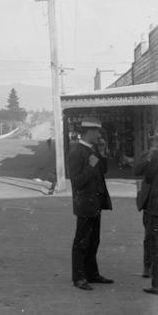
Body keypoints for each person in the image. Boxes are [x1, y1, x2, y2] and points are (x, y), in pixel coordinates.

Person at [66, 117, 113, 291]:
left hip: (95, 203)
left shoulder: (91, 151)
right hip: (85, 204)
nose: (99, 135)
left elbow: (104, 170)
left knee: (94, 240)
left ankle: (92, 274)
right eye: (97, 132)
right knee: (82, 241)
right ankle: (78, 278)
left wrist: (102, 153)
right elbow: (77, 182)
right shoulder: (76, 153)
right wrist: (91, 165)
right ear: (88, 133)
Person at [133, 124, 158, 295]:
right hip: (149, 203)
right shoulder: (149, 154)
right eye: (156, 139)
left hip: (157, 204)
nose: (157, 142)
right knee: (150, 237)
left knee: (157, 240)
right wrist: (150, 156)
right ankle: (147, 266)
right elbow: (137, 170)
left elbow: (150, 176)